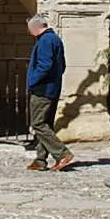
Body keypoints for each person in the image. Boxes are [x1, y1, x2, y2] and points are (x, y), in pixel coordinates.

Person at [24, 12, 71, 171]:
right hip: (52, 88)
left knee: (38, 123)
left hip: (42, 89)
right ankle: (40, 160)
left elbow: (45, 65)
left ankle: (62, 153)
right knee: (46, 124)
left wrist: (32, 81)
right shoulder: (55, 39)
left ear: (34, 28)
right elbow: (62, 65)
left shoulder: (45, 41)